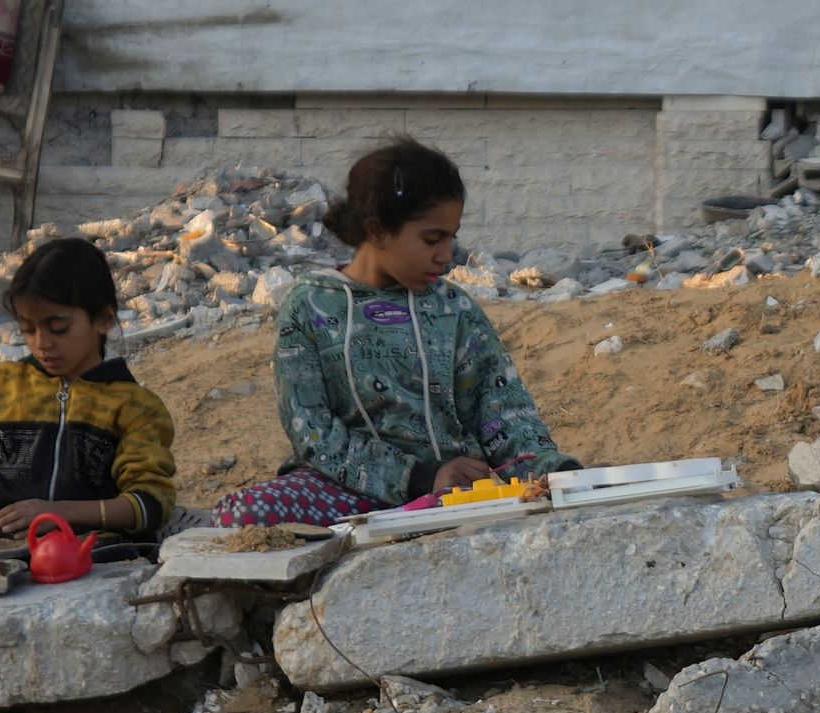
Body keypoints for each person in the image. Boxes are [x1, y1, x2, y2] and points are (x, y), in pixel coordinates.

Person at [211, 138, 571, 527]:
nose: (446, 255)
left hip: (453, 497)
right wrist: (419, 477)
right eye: (432, 239)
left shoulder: (455, 308)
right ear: (378, 231)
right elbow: (312, 433)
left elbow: (503, 411)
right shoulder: (311, 307)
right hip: (343, 494)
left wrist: (555, 471)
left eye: (451, 237)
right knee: (242, 513)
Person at [0, 237, 177, 538]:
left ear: (103, 319)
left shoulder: (136, 408)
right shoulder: (2, 389)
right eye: (28, 329)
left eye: (58, 328)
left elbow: (149, 505)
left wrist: (60, 514)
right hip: (8, 552)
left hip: (96, 557)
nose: (41, 344)